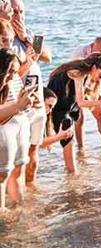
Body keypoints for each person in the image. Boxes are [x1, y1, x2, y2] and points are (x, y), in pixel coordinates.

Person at [47, 53, 101, 173]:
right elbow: (80, 102)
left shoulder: (82, 68)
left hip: (64, 104)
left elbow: (78, 97)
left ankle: (72, 173)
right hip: (57, 106)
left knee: (69, 139)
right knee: (68, 140)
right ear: (94, 68)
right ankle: (72, 176)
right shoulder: (79, 72)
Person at [10, 0, 53, 184]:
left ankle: (31, 189)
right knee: (17, 157)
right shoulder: (5, 39)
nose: (20, 16)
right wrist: (29, 57)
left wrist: (26, 38)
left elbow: (48, 57)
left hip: (38, 104)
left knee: (34, 151)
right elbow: (13, 73)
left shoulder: (27, 34)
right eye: (15, 12)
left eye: (22, 11)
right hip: (20, 104)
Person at [0, 47, 35, 210]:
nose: (14, 75)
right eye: (10, 72)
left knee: (15, 169)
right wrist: (17, 107)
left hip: (17, 123)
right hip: (6, 128)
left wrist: (25, 103)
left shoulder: (11, 80)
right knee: (2, 174)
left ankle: (16, 208)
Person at [70, 36, 101, 147]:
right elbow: (73, 76)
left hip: (93, 85)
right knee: (79, 118)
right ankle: (81, 150)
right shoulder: (79, 53)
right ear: (92, 47)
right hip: (76, 85)